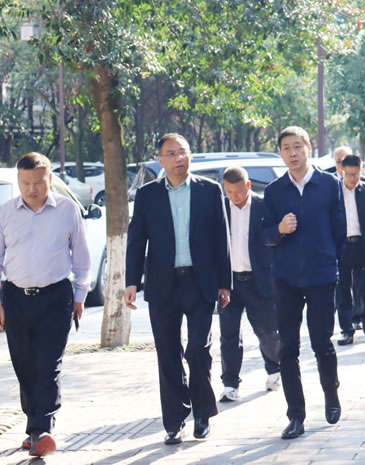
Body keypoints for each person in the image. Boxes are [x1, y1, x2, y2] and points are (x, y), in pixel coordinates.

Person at [124, 133, 231, 445]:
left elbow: (221, 237)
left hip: (200, 282)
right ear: (160, 160)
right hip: (163, 284)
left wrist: (225, 283)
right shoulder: (148, 195)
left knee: (198, 349)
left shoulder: (209, 190)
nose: (178, 158)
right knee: (168, 353)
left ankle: (202, 414)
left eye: (182, 152)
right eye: (170, 153)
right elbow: (136, 239)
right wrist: (131, 281)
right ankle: (174, 420)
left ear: (190, 155)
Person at [0, 152, 91, 457]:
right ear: (18, 181)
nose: (32, 189)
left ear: (50, 179)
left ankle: (41, 429)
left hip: (56, 297)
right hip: (16, 298)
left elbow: (82, 259)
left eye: (38, 182)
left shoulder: (67, 210)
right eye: (25, 183)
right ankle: (35, 428)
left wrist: (80, 296)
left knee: (48, 364)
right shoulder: (5, 213)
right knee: (24, 366)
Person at [262, 126, 346, 439]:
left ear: (309, 148)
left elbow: (340, 232)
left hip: (321, 276)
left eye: (298, 146)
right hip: (285, 280)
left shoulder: (329, 185)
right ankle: (295, 415)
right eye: (286, 148)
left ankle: (331, 395)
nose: (293, 153)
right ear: (280, 153)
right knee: (288, 348)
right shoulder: (274, 191)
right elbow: (264, 235)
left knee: (322, 342)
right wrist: (279, 230)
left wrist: (332, 263)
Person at [219, 166, 282, 402]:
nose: (234, 197)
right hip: (229, 283)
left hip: (259, 280)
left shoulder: (264, 206)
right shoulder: (220, 208)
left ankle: (274, 370)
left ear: (247, 185)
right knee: (228, 335)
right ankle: (230, 384)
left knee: (268, 332)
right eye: (228, 192)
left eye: (237, 191)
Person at [335, 155, 365, 345]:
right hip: (342, 247)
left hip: (363, 246)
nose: (352, 178)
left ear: (361, 171)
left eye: (355, 174)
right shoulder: (334, 192)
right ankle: (346, 330)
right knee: (342, 290)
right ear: (342, 171)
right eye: (348, 174)